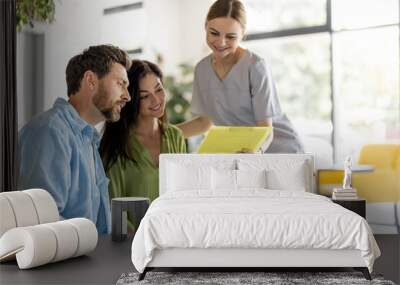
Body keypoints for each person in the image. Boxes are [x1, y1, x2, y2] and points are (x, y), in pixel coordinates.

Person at [18, 45, 131, 234]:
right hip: (65, 262)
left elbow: (100, 226)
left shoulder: (87, 139)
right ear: (91, 81)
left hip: (89, 258)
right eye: (121, 83)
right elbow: (42, 225)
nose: (127, 96)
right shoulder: (50, 132)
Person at [177, 0, 304, 153]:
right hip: (244, 152)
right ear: (205, 27)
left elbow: (266, 130)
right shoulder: (202, 70)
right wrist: (162, 133)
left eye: (230, 37)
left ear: (242, 34)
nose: (221, 42)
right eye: (214, 33)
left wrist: (257, 153)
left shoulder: (255, 67)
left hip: (279, 149)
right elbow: (204, 122)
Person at [100, 60, 186, 217]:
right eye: (145, 96)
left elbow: (185, 193)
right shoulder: (117, 147)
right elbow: (113, 210)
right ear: (129, 99)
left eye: (158, 89)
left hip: (174, 234)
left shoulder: (175, 137)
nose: (156, 100)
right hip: (135, 239)